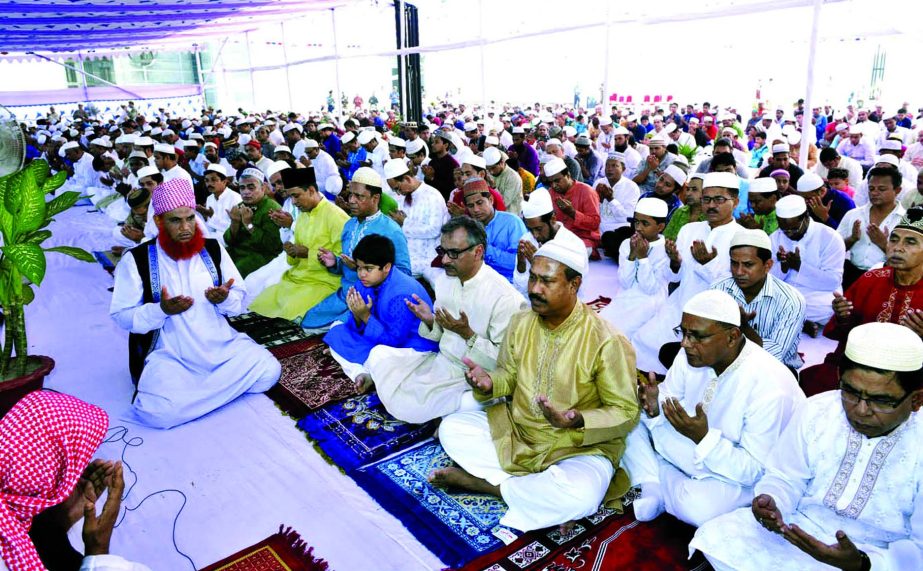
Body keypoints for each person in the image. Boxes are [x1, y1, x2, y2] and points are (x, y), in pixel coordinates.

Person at [432, 234, 640, 533]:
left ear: (574, 284)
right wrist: (490, 382)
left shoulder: (607, 341)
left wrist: (576, 420)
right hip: (521, 434)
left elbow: (625, 411)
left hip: (576, 448)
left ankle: (486, 486)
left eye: (547, 281)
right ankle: (539, 497)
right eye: (532, 278)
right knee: (453, 429)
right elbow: (509, 375)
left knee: (580, 493)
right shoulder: (522, 321)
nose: (534, 289)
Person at [691, 321, 923, 571]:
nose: (861, 410)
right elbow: (785, 477)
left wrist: (863, 563)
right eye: (851, 392)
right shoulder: (817, 410)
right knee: (717, 535)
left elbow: (919, 548)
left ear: (916, 399)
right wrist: (774, 502)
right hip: (796, 529)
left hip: (875, 555)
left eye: (880, 400)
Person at [622, 290, 804, 526]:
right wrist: (654, 406)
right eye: (684, 333)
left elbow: (754, 470)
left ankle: (649, 476)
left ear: (732, 336)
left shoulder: (770, 387)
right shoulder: (689, 354)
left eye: (697, 336)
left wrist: (704, 438)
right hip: (688, 444)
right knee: (625, 417)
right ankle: (653, 486)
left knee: (699, 509)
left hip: (737, 472)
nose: (685, 343)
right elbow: (669, 400)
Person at [110, 178, 281, 429]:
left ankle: (197, 395)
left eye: (190, 218)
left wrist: (225, 298)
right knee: (158, 414)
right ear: (159, 222)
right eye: (175, 220)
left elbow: (239, 299)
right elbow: (121, 315)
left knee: (269, 371)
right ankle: (210, 390)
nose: (186, 227)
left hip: (220, 346)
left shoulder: (211, 248)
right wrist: (161, 310)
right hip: (170, 354)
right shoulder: (137, 259)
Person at [363, 217, 526, 423]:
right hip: (442, 363)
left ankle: (462, 408)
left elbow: (506, 364)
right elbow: (443, 334)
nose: (445, 260)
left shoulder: (505, 298)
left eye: (454, 253)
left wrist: (467, 334)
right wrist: (430, 320)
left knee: (417, 406)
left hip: (473, 377)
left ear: (478, 252)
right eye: (442, 252)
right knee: (379, 355)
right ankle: (447, 409)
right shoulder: (445, 281)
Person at [0, 391, 151, 571]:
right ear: (49, 477)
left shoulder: (12, 518)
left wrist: (60, 522)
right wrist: (98, 550)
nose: (76, 474)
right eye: (73, 465)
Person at [800, 207, 923, 396]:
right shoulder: (871, 279)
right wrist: (843, 317)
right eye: (894, 239)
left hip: (909, 376)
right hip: (859, 367)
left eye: (910, 242)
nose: (897, 247)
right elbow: (844, 335)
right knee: (810, 386)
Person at [631, 172, 744, 375]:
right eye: (706, 199)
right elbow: (675, 277)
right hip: (680, 302)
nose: (711, 205)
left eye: (719, 199)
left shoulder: (741, 237)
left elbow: (734, 288)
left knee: (688, 358)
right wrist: (675, 262)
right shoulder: (690, 230)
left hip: (713, 315)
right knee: (642, 340)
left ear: (735, 202)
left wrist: (707, 264)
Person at [324, 234, 438, 391]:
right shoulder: (365, 282)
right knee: (336, 328)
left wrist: (365, 316)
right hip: (381, 339)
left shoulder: (402, 294)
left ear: (387, 267)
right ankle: (363, 373)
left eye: (368, 269)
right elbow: (355, 326)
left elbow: (393, 342)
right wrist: (357, 315)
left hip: (412, 348)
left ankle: (364, 368)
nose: (362, 274)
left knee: (379, 354)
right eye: (359, 267)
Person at [302, 167, 411, 329]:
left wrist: (362, 269)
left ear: (375, 198)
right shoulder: (349, 225)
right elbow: (346, 265)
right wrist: (335, 263)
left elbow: (404, 273)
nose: (351, 200)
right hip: (347, 292)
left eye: (359, 196)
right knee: (309, 322)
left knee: (337, 330)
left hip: (373, 298)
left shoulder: (391, 230)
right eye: (350, 194)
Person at [250, 167, 350, 320]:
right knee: (262, 301)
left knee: (290, 310)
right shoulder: (303, 215)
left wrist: (308, 253)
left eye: (296, 196)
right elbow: (296, 254)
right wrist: (292, 252)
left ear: (311, 190)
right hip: (300, 276)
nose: (294, 202)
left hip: (325, 281)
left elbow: (344, 260)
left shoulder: (337, 217)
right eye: (291, 197)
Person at [711, 229, 807, 373]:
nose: (738, 272)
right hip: (725, 360)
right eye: (734, 263)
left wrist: (743, 326)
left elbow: (773, 356)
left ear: (767, 265)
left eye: (748, 265)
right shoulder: (719, 289)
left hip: (774, 370)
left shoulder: (791, 300)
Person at [770, 195, 846, 334]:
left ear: (806, 217)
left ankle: (795, 321)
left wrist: (800, 267)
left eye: (793, 229)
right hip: (785, 293)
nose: (788, 234)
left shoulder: (830, 237)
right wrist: (783, 267)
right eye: (784, 229)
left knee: (828, 309)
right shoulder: (775, 238)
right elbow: (769, 279)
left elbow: (833, 281)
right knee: (763, 301)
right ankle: (802, 323)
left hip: (817, 294)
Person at [600, 198, 669, 338]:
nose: (638, 228)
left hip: (651, 301)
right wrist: (631, 256)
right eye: (636, 222)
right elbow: (625, 282)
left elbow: (650, 288)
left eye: (645, 224)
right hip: (626, 295)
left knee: (620, 335)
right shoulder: (627, 243)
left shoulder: (666, 249)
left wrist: (643, 258)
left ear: (660, 227)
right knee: (600, 326)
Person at [383, 159, 449, 285]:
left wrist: (405, 223)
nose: (398, 193)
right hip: (409, 260)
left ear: (407, 179)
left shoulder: (432, 196)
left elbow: (434, 230)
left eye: (398, 188)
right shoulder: (403, 198)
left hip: (429, 260)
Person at [838, 167, 905, 288]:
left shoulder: (905, 221)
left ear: (897, 190)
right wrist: (852, 239)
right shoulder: (853, 214)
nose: (874, 193)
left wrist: (884, 244)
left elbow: (909, 260)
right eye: (871, 188)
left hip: (888, 279)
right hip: (852, 276)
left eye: (882, 189)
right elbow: (835, 249)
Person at [513, 188, 586, 297]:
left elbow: (573, 289)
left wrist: (540, 264)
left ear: (553, 219)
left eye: (538, 229)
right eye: (530, 229)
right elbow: (521, 290)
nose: (535, 235)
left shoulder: (574, 245)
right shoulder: (527, 239)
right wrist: (521, 265)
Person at [462, 177, 528, 281]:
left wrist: (484, 249)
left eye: (480, 203)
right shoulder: (469, 227)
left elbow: (516, 263)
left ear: (491, 200)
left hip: (510, 283)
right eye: (470, 206)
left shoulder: (512, 223)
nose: (475, 209)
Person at [223, 168, 284, 277]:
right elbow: (229, 241)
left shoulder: (272, 209)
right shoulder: (240, 206)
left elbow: (272, 246)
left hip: (262, 255)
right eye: (242, 188)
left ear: (263, 187)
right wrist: (235, 223)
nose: (246, 192)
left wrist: (248, 224)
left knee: (237, 271)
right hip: (240, 252)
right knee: (218, 260)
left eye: (251, 187)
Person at [544, 156, 601, 252]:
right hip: (559, 239)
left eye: (557, 181)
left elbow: (595, 224)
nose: (554, 185)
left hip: (583, 239)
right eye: (551, 182)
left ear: (568, 175)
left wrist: (572, 212)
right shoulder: (551, 192)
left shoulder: (587, 191)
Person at [595, 152, 641, 259]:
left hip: (618, 230)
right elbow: (594, 210)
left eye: (614, 166)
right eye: (607, 165)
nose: (609, 169)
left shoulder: (632, 187)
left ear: (623, 169)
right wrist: (600, 199)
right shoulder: (599, 182)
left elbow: (627, 217)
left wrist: (611, 199)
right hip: (598, 229)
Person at [198, 164, 242, 243]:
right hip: (213, 238)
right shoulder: (210, 198)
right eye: (206, 180)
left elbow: (235, 228)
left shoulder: (235, 198)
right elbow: (210, 227)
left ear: (224, 182)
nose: (209, 184)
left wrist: (212, 216)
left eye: (213, 180)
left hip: (230, 240)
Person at [663, 172, 705, 241]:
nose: (688, 193)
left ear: (705, 192)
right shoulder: (680, 211)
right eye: (688, 189)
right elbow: (666, 237)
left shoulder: (709, 217)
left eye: (694, 189)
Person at [484, 147, 523, 215]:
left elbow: (503, 203)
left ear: (501, 162)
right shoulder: (489, 173)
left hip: (512, 215)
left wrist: (493, 187)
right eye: (488, 169)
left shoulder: (513, 177)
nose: (491, 172)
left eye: (493, 168)